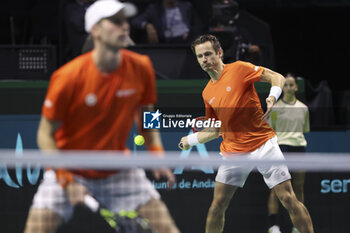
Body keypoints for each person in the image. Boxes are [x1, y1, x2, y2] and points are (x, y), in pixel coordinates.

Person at [24, 1, 180, 233]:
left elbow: (147, 117)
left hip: (117, 168)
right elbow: (45, 135)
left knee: (168, 228)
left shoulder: (141, 67)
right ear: (95, 30)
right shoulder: (68, 77)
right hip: (69, 168)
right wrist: (67, 180)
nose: (124, 27)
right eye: (115, 22)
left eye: (125, 21)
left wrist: (157, 156)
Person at [178, 34, 314, 233]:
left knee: (288, 198)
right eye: (200, 56)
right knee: (217, 207)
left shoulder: (239, 69)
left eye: (208, 54)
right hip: (233, 152)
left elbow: (277, 77)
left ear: (219, 53)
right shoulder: (207, 93)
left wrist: (272, 97)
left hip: (263, 144)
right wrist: (189, 140)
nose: (204, 59)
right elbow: (216, 130)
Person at [267, 73, 310, 233]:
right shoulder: (276, 107)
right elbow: (271, 129)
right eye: (286, 85)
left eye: (291, 85)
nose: (289, 87)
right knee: (276, 189)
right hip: (281, 148)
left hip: (298, 148)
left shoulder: (304, 108)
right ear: (282, 87)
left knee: (298, 187)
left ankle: (297, 227)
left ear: (296, 87)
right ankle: (273, 226)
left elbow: (304, 130)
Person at [131, 0, 204, 44]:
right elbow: (135, 21)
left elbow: (198, 24)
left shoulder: (186, 6)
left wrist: (192, 34)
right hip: (166, 42)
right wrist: (148, 25)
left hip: (186, 41)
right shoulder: (154, 9)